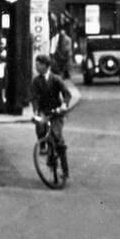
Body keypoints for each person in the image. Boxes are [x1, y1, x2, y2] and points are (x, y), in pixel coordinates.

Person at [30, 53, 74, 182]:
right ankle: (43, 146)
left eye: (38, 64)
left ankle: (65, 171)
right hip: (45, 112)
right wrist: (36, 110)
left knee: (58, 138)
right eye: (36, 64)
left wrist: (64, 105)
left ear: (46, 65)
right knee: (40, 127)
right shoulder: (36, 81)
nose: (36, 66)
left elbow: (67, 94)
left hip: (57, 112)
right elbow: (34, 97)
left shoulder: (56, 79)